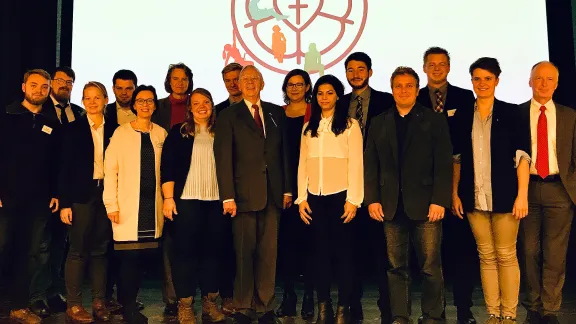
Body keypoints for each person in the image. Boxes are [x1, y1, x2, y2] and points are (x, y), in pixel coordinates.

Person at [364, 66, 452, 324]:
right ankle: (400, 316)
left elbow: (443, 164)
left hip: (427, 206)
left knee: (430, 267)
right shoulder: (379, 122)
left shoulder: (434, 120)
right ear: (392, 90)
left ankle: (433, 316)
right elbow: (371, 164)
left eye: (409, 86)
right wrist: (372, 199)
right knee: (396, 267)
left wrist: (439, 200)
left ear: (417, 89)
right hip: (390, 207)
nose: (403, 90)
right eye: (398, 86)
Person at [452, 57, 529, 324]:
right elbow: (457, 159)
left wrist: (522, 195)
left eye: (487, 78)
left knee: (506, 255)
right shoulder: (462, 115)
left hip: (507, 197)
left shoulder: (511, 113)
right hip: (473, 197)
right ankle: (493, 313)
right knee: (485, 256)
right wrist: (454, 193)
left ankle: (509, 314)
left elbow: (522, 158)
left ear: (497, 80)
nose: (482, 83)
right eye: (477, 78)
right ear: (471, 81)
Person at [214, 65, 291, 324]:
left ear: (262, 83)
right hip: (242, 195)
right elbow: (223, 158)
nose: (249, 82)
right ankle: (244, 306)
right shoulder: (228, 115)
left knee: (269, 253)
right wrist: (227, 196)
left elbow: (284, 154)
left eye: (253, 79)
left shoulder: (275, 112)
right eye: (244, 79)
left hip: (273, 193)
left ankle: (264, 305)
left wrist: (288, 189)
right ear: (238, 84)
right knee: (245, 252)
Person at [416, 47, 477, 324]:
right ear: (424, 68)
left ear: (449, 67)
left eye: (442, 64)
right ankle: (434, 313)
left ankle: (465, 312)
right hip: (422, 189)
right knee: (429, 258)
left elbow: (465, 142)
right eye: (432, 64)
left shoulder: (465, 97)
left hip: (458, 188)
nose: (437, 68)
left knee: (461, 252)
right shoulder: (413, 99)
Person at [296, 74, 363, 324]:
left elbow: (356, 164)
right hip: (315, 199)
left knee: (344, 255)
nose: (324, 97)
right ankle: (323, 305)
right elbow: (303, 165)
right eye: (320, 93)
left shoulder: (349, 125)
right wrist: (302, 198)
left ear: (338, 95)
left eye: (330, 93)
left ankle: (343, 308)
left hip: (341, 198)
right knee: (319, 255)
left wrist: (353, 200)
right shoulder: (308, 128)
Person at [160, 88, 228, 324]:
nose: (201, 106)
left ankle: (210, 305)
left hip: (216, 202)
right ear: (189, 108)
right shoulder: (179, 133)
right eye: (196, 103)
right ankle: (186, 305)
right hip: (186, 202)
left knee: (213, 254)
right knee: (185, 255)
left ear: (212, 105)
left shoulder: (222, 132)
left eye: (206, 102)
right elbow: (167, 168)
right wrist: (168, 199)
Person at [103, 85, 168, 324]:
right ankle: (127, 307)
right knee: (128, 259)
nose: (145, 105)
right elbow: (110, 170)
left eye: (149, 100)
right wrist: (111, 204)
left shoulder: (161, 133)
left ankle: (131, 302)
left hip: (152, 208)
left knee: (142, 259)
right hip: (127, 208)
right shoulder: (121, 133)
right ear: (134, 105)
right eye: (140, 101)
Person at [0, 69, 60, 324]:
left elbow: (56, 162)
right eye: (34, 85)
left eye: (44, 87)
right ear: (23, 87)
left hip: (38, 201)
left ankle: (20, 305)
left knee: (32, 252)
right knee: (3, 248)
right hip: (7, 197)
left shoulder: (52, 122)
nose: (39, 90)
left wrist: (55, 192)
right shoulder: (6, 116)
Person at [518, 61, 576, 324]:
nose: (543, 84)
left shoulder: (570, 116)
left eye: (549, 79)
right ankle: (532, 305)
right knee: (529, 251)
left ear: (556, 84)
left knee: (555, 254)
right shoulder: (515, 114)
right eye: (538, 78)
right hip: (526, 190)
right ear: (529, 81)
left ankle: (550, 309)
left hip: (559, 191)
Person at [341, 51, 394, 324]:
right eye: (350, 70)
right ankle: (352, 308)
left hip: (380, 190)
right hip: (346, 190)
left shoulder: (387, 102)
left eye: (361, 69)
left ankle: (388, 310)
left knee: (382, 255)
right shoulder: (338, 104)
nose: (355, 74)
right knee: (349, 254)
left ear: (370, 72)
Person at [29, 66, 85, 318]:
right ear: (51, 84)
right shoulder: (40, 110)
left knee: (60, 245)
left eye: (69, 81)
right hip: (43, 190)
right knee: (40, 246)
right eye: (60, 80)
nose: (65, 85)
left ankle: (53, 292)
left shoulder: (79, 114)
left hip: (68, 192)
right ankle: (36, 296)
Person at [59, 81, 117, 323]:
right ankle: (73, 304)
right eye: (87, 98)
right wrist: (64, 204)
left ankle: (99, 302)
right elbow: (63, 169)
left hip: (107, 192)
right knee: (77, 250)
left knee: (101, 250)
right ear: (83, 102)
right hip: (81, 195)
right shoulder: (72, 129)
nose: (92, 102)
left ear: (105, 99)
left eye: (97, 97)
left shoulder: (116, 129)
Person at [276, 69, 314, 320]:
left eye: (300, 84)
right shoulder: (277, 114)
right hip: (284, 188)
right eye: (290, 84)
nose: (295, 88)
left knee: (310, 245)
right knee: (285, 246)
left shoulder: (316, 113)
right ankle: (288, 295)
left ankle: (310, 296)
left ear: (308, 87)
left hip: (311, 187)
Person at [155, 63, 194, 132]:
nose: (180, 83)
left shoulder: (196, 104)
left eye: (184, 79)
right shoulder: (157, 106)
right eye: (175, 79)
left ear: (189, 82)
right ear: (169, 81)